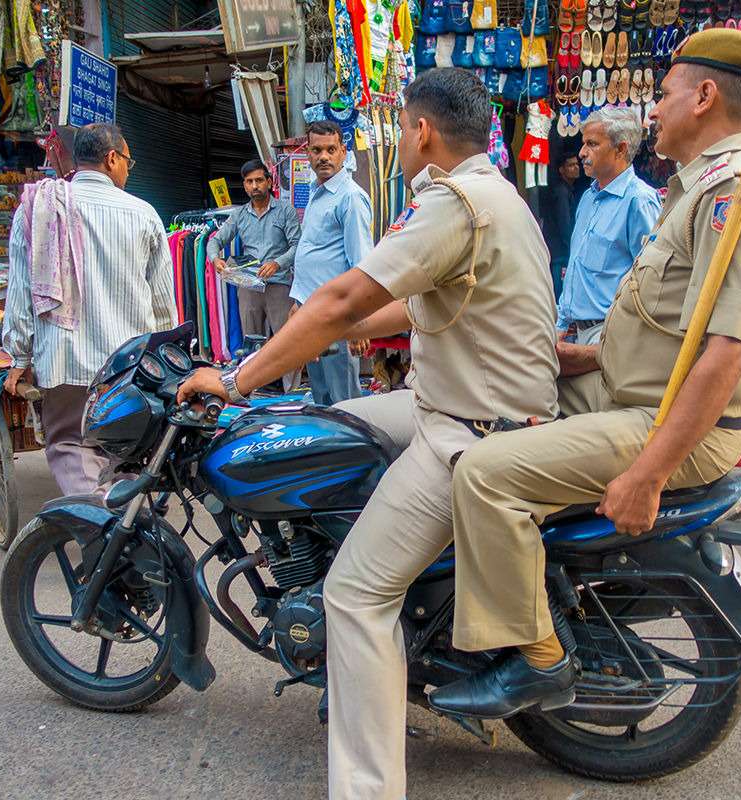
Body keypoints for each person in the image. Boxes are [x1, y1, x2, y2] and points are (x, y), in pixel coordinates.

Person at [175, 68, 559, 800]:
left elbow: (343, 294)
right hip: (457, 402)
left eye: (402, 131)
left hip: (468, 430)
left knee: (355, 596)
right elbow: (417, 306)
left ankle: (366, 788)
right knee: (331, 424)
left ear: (420, 132)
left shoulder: (452, 201)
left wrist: (237, 378)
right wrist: (340, 333)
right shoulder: (498, 194)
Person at [436, 29, 741, 719]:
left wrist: (650, 473)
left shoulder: (737, 194)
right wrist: (591, 356)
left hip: (670, 422)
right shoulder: (694, 188)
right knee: (495, 394)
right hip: (626, 386)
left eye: (662, 95)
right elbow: (674, 329)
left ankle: (537, 660)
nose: (653, 110)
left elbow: (726, 352)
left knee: (484, 474)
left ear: (705, 95)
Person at [2, 123, 177, 496]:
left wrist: (19, 355)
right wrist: (166, 361)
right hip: (128, 362)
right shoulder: (143, 213)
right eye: (128, 161)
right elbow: (162, 303)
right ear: (112, 159)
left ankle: (101, 528)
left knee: (72, 444)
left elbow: (20, 290)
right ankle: (126, 528)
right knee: (126, 448)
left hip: (66, 360)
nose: (129, 170)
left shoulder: (37, 209)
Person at [555, 107, 661, 345]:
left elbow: (651, 281)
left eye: (592, 144)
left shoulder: (639, 201)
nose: (582, 153)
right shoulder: (589, 197)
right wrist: (561, 324)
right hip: (574, 331)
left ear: (620, 149)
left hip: (609, 334)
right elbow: (576, 267)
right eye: (584, 144)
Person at [291, 120, 373, 405]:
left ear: (342, 152)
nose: (323, 156)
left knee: (345, 401)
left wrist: (360, 321)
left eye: (330, 149)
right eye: (317, 150)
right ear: (308, 154)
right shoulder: (316, 191)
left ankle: (354, 450)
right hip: (312, 312)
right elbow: (314, 251)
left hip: (337, 316)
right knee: (322, 395)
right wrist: (298, 300)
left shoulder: (350, 198)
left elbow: (361, 264)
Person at [209, 160, 302, 383]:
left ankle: (292, 391)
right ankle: (255, 387)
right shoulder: (239, 214)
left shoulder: (285, 211)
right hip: (249, 286)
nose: (255, 186)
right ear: (244, 186)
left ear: (269, 182)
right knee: (251, 341)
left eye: (259, 180)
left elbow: (298, 245)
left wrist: (277, 263)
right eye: (249, 182)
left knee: (285, 340)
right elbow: (215, 241)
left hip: (279, 285)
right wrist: (215, 259)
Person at [542, 152, 581, 298]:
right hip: (560, 251)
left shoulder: (567, 190)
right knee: (560, 292)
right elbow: (564, 224)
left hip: (559, 249)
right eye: (571, 165)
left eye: (577, 164)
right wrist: (572, 248)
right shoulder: (561, 193)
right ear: (561, 170)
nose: (576, 168)